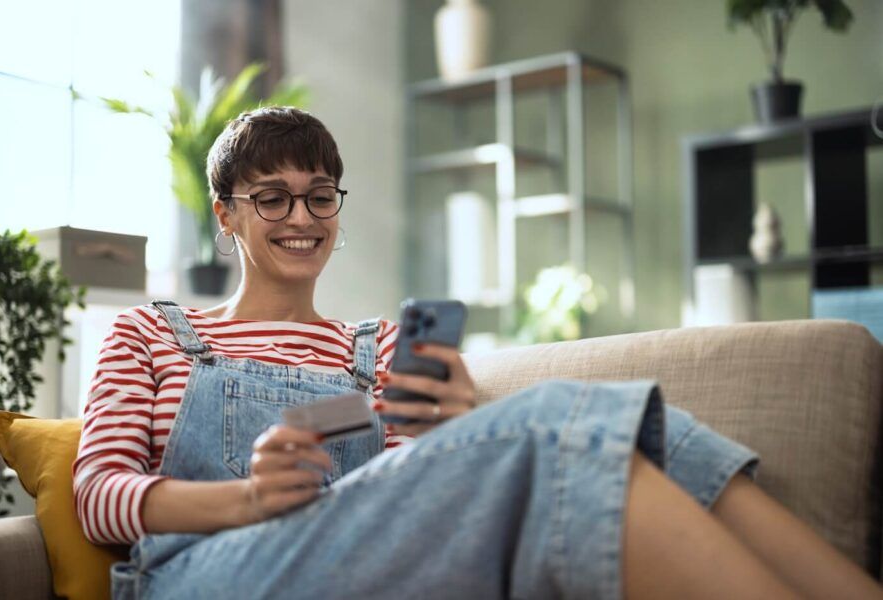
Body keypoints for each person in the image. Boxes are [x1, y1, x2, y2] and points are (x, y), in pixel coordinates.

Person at [73, 106, 881, 600]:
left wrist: (450, 429)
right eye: (272, 198)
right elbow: (99, 495)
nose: (302, 217)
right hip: (202, 572)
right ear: (225, 214)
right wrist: (249, 499)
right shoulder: (151, 333)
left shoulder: (380, 346)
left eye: (319, 196)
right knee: (560, 417)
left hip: (356, 554)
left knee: (645, 427)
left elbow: (415, 500)